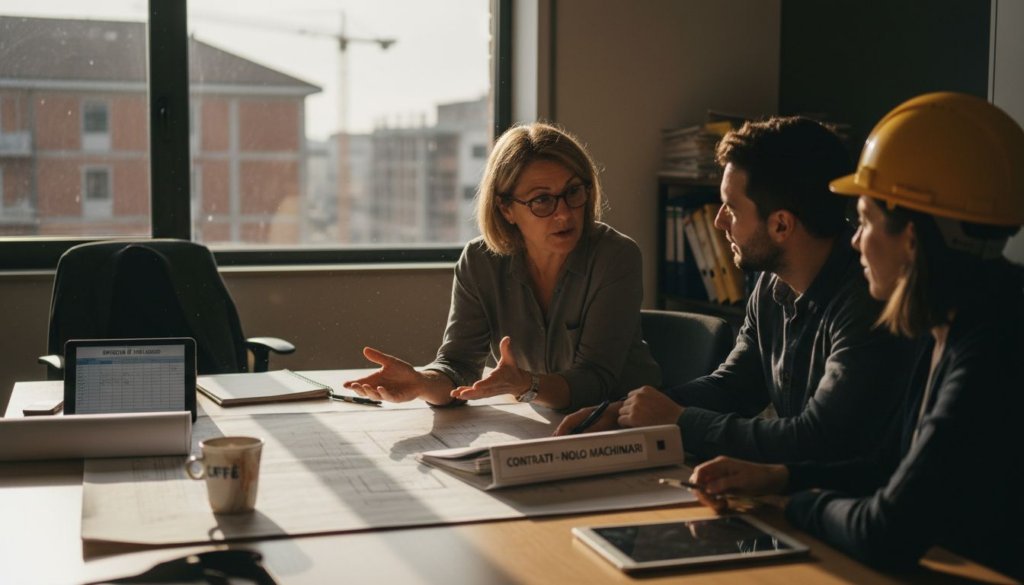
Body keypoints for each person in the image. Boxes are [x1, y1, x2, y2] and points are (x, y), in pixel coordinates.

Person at [686, 93, 1024, 579]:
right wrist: (780, 475)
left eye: (863, 221)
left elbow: (884, 530)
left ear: (910, 237)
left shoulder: (990, 352)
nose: (854, 239)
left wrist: (792, 502)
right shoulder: (954, 322)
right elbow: (887, 465)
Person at [557, 116, 914, 464]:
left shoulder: (870, 301)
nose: (718, 220)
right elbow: (736, 385)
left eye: (731, 207)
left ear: (781, 225)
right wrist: (623, 411)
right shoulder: (771, 282)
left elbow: (816, 438)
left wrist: (679, 421)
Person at [345, 122, 661, 411]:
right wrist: (421, 384)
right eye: (542, 200)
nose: (564, 214)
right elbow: (458, 366)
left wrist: (527, 385)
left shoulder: (615, 255)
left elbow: (596, 383)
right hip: (543, 420)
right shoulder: (480, 261)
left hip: (622, 422)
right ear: (506, 208)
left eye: (573, 192)